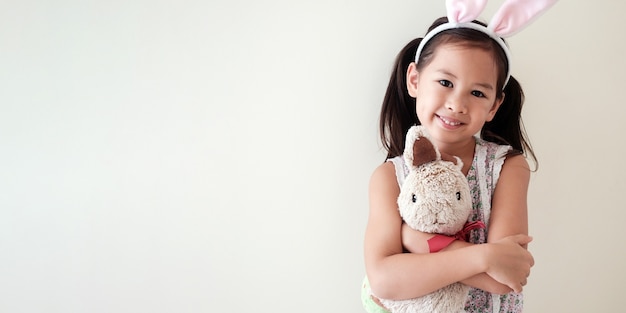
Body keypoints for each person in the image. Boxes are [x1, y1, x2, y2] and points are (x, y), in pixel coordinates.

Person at [361, 1, 557, 311]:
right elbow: (384, 280)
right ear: (414, 79)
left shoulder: (506, 168)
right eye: (445, 82)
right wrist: (483, 256)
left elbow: (504, 278)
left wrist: (416, 241)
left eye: (477, 93)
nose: (457, 104)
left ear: (494, 105)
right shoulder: (390, 177)